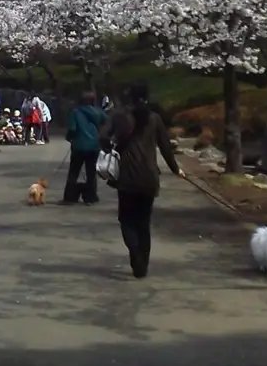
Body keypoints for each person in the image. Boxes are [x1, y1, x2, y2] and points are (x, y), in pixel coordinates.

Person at [102, 82, 181, 279]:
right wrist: (176, 169)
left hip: (127, 177)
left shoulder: (120, 117)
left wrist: (110, 149)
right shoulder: (154, 119)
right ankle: (142, 264)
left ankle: (135, 254)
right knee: (143, 222)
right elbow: (165, 147)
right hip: (149, 177)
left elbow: (102, 136)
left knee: (127, 220)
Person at [61, 90, 106, 205]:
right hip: (94, 146)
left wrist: (69, 137)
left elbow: (72, 129)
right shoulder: (98, 112)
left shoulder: (75, 112)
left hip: (79, 146)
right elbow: (107, 122)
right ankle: (91, 197)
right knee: (91, 172)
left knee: (74, 172)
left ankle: (70, 196)